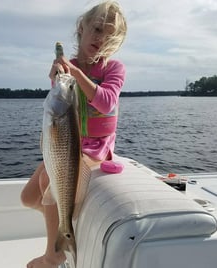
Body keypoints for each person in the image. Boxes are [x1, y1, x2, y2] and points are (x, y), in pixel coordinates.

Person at [20, 1, 127, 267]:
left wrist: (75, 73)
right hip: (67, 145)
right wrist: (56, 77)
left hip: (95, 150)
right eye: (97, 29)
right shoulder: (69, 70)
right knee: (28, 198)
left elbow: (106, 102)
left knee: (47, 179)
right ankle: (65, 229)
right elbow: (59, 104)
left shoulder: (114, 69)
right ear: (82, 27)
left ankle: (52, 255)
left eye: (109, 35)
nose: (100, 38)